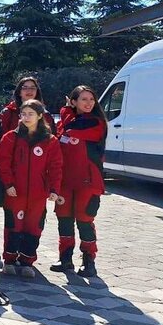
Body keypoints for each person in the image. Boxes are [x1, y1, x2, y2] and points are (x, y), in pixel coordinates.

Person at [0, 100, 63, 278]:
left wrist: (54, 189)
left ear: (40, 116)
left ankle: (27, 261)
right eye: (23, 114)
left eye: (30, 114)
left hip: (38, 194)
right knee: (13, 226)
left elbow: (55, 167)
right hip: (15, 192)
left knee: (34, 227)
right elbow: (3, 163)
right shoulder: (11, 137)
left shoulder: (50, 140)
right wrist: (8, 184)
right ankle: (9, 260)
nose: (26, 117)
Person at [52, 86, 107, 278]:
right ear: (75, 102)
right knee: (64, 219)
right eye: (84, 99)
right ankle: (65, 258)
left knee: (85, 220)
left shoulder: (95, 122)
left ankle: (89, 260)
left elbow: (72, 130)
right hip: (65, 181)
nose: (89, 103)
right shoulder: (65, 122)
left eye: (91, 99)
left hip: (88, 181)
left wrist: (66, 109)